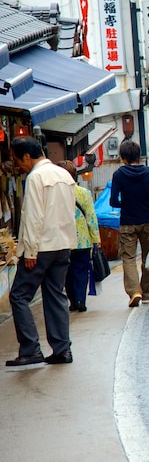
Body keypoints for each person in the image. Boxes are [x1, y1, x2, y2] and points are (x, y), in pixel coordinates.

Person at [6, 138, 77, 367]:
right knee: (55, 294)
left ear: (27, 156)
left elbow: (34, 217)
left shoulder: (35, 177)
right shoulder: (64, 175)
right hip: (63, 244)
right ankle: (62, 349)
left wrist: (30, 251)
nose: (18, 166)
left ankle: (30, 348)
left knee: (18, 295)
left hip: (42, 247)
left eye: (17, 160)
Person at [110, 140, 149, 308]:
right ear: (138, 156)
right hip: (148, 221)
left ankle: (134, 291)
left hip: (127, 222)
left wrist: (126, 204)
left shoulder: (119, 175)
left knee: (128, 258)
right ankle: (147, 293)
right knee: (148, 257)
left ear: (123, 157)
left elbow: (113, 201)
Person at [57, 160, 101, 313]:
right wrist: (96, 239)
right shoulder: (84, 193)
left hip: (64, 241)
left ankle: (73, 301)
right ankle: (81, 299)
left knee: (67, 272)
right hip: (83, 241)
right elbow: (91, 218)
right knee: (81, 271)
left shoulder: (55, 195)